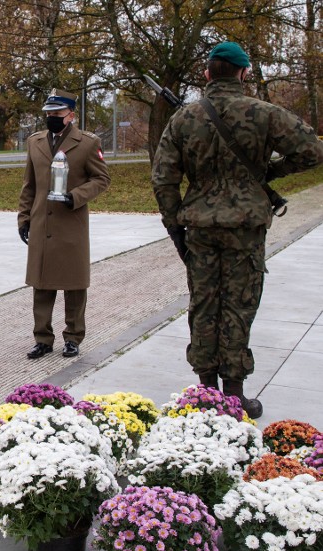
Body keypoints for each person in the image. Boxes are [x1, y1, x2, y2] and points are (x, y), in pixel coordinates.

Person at [152, 42, 323, 419]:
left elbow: (164, 178)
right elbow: (311, 151)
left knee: (203, 303)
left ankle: (205, 390)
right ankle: (235, 394)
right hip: (245, 226)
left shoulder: (185, 118)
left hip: (198, 226)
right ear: (243, 73)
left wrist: (173, 223)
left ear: (208, 73)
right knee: (239, 305)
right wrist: (270, 172)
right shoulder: (264, 113)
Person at [18, 89, 111, 360]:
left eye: (57, 114)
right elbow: (29, 185)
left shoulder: (87, 143)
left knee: (74, 285)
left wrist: (76, 196)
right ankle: (42, 338)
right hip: (41, 223)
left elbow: (102, 179)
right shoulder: (35, 142)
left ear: (71, 115)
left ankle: (73, 337)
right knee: (42, 284)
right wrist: (23, 217)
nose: (51, 118)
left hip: (71, 223)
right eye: (48, 114)